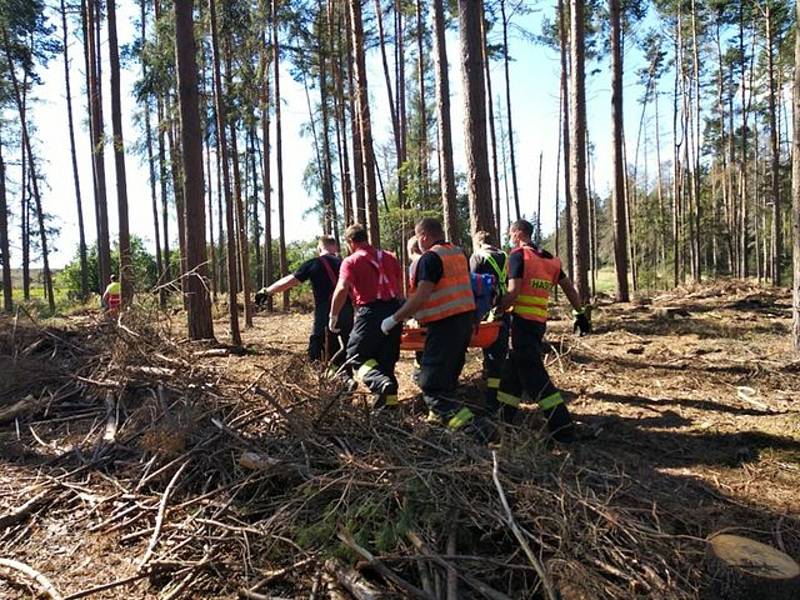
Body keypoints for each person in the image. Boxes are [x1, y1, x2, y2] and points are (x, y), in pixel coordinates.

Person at [383, 218, 491, 439]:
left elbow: (421, 296)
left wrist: (394, 319)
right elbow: (467, 288)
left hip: (444, 326)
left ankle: (475, 430)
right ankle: (438, 431)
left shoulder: (430, 258)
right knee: (447, 382)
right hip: (463, 323)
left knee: (431, 384)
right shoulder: (457, 253)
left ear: (423, 236)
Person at [494, 219, 591, 443]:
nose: (510, 237)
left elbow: (514, 292)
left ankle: (563, 428)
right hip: (538, 323)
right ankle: (503, 420)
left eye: (511, 233)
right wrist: (580, 314)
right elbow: (568, 288)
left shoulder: (519, 255)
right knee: (512, 375)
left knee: (536, 378)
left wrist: (496, 306)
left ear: (518, 233)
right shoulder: (549, 259)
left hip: (521, 323)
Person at [329, 224, 403, 409]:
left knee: (356, 355)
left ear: (350, 242)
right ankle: (388, 408)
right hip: (395, 311)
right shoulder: (389, 257)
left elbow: (341, 288)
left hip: (370, 313)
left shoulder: (351, 261)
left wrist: (333, 315)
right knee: (386, 361)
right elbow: (400, 288)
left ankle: (379, 383)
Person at [262, 235, 353, 364]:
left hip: (325, 314)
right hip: (347, 312)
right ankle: (346, 379)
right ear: (336, 248)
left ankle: (330, 380)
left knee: (316, 354)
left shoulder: (314, 263)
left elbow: (289, 281)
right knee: (343, 350)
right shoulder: (346, 264)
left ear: (319, 248)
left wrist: (267, 291)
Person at [469, 230, 510, 416]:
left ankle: (490, 401)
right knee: (498, 353)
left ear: (478, 242)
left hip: (485, 310)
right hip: (504, 306)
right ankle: (496, 394)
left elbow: (471, 284)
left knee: (489, 351)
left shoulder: (478, 257)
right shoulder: (505, 256)